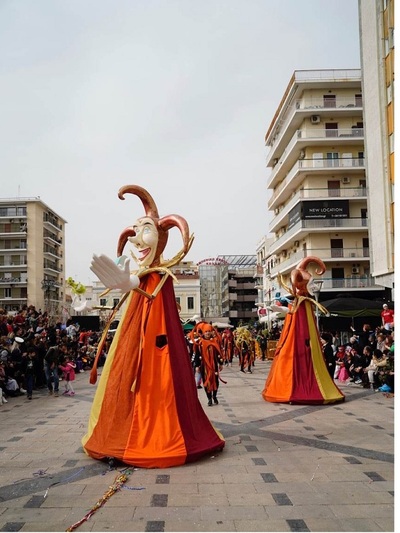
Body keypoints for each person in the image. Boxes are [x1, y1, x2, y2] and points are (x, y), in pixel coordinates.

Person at [82, 184, 225, 468]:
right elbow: (141, 286)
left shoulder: (162, 277)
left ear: (162, 236)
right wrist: (129, 282)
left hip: (159, 350)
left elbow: (151, 289)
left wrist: (131, 282)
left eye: (144, 231)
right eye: (134, 233)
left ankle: (156, 434)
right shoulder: (147, 278)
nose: (137, 240)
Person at [193, 322, 224, 406]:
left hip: (214, 365)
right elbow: (197, 354)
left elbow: (219, 353)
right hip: (204, 366)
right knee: (206, 382)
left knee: (216, 381)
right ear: (203, 332)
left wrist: (221, 363)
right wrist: (197, 365)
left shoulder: (215, 341)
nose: (207, 333)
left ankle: (214, 396)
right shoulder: (200, 342)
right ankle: (209, 398)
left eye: (209, 331)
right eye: (206, 331)